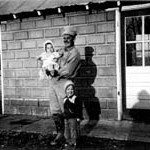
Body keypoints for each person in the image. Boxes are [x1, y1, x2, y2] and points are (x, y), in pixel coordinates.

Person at [48, 26, 81, 146]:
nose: (66, 40)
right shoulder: (60, 51)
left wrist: (54, 71)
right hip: (54, 82)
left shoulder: (75, 54)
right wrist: (47, 67)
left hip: (65, 83)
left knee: (68, 111)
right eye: (64, 38)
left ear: (73, 39)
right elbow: (52, 60)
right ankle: (60, 133)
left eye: (68, 38)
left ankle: (73, 138)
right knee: (55, 110)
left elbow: (68, 70)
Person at [63, 80, 82, 149]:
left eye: (72, 89)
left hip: (73, 117)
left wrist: (78, 117)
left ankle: (74, 142)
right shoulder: (65, 99)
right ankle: (68, 141)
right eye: (68, 89)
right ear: (65, 91)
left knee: (73, 129)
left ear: (74, 90)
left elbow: (78, 109)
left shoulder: (75, 99)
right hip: (66, 118)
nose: (70, 91)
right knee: (66, 130)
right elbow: (64, 109)